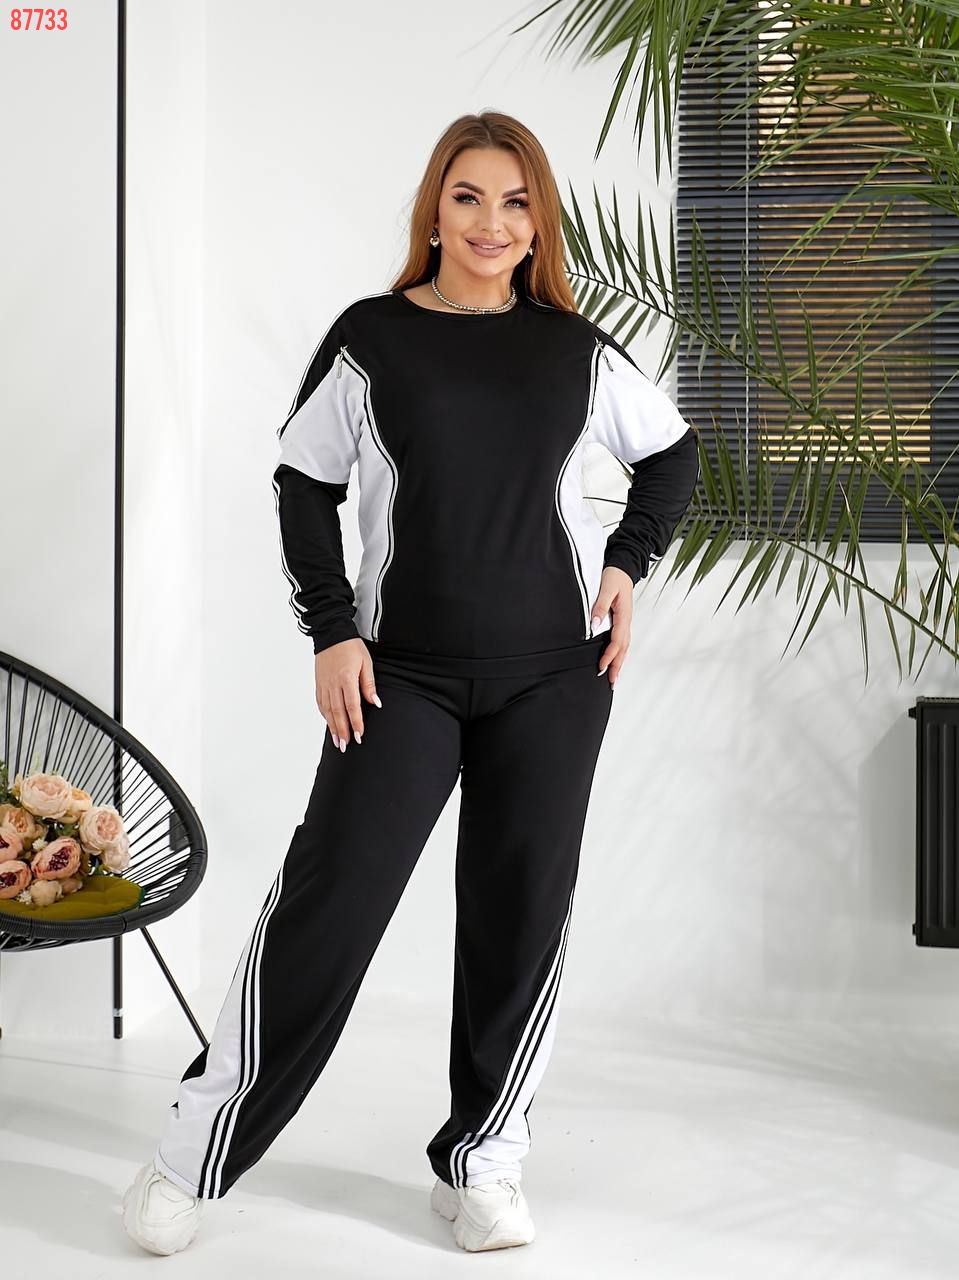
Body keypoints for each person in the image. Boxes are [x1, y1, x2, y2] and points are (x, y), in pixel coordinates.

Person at [121, 109, 700, 1257]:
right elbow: (302, 481)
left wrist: (627, 564)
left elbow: (671, 453)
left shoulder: (573, 348)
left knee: (519, 915)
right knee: (327, 905)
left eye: (516, 202)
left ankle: (482, 1160)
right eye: (469, 196)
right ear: (434, 208)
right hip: (401, 679)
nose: (492, 222)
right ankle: (192, 1154)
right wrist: (331, 631)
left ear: (538, 222)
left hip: (553, 677)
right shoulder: (373, 337)